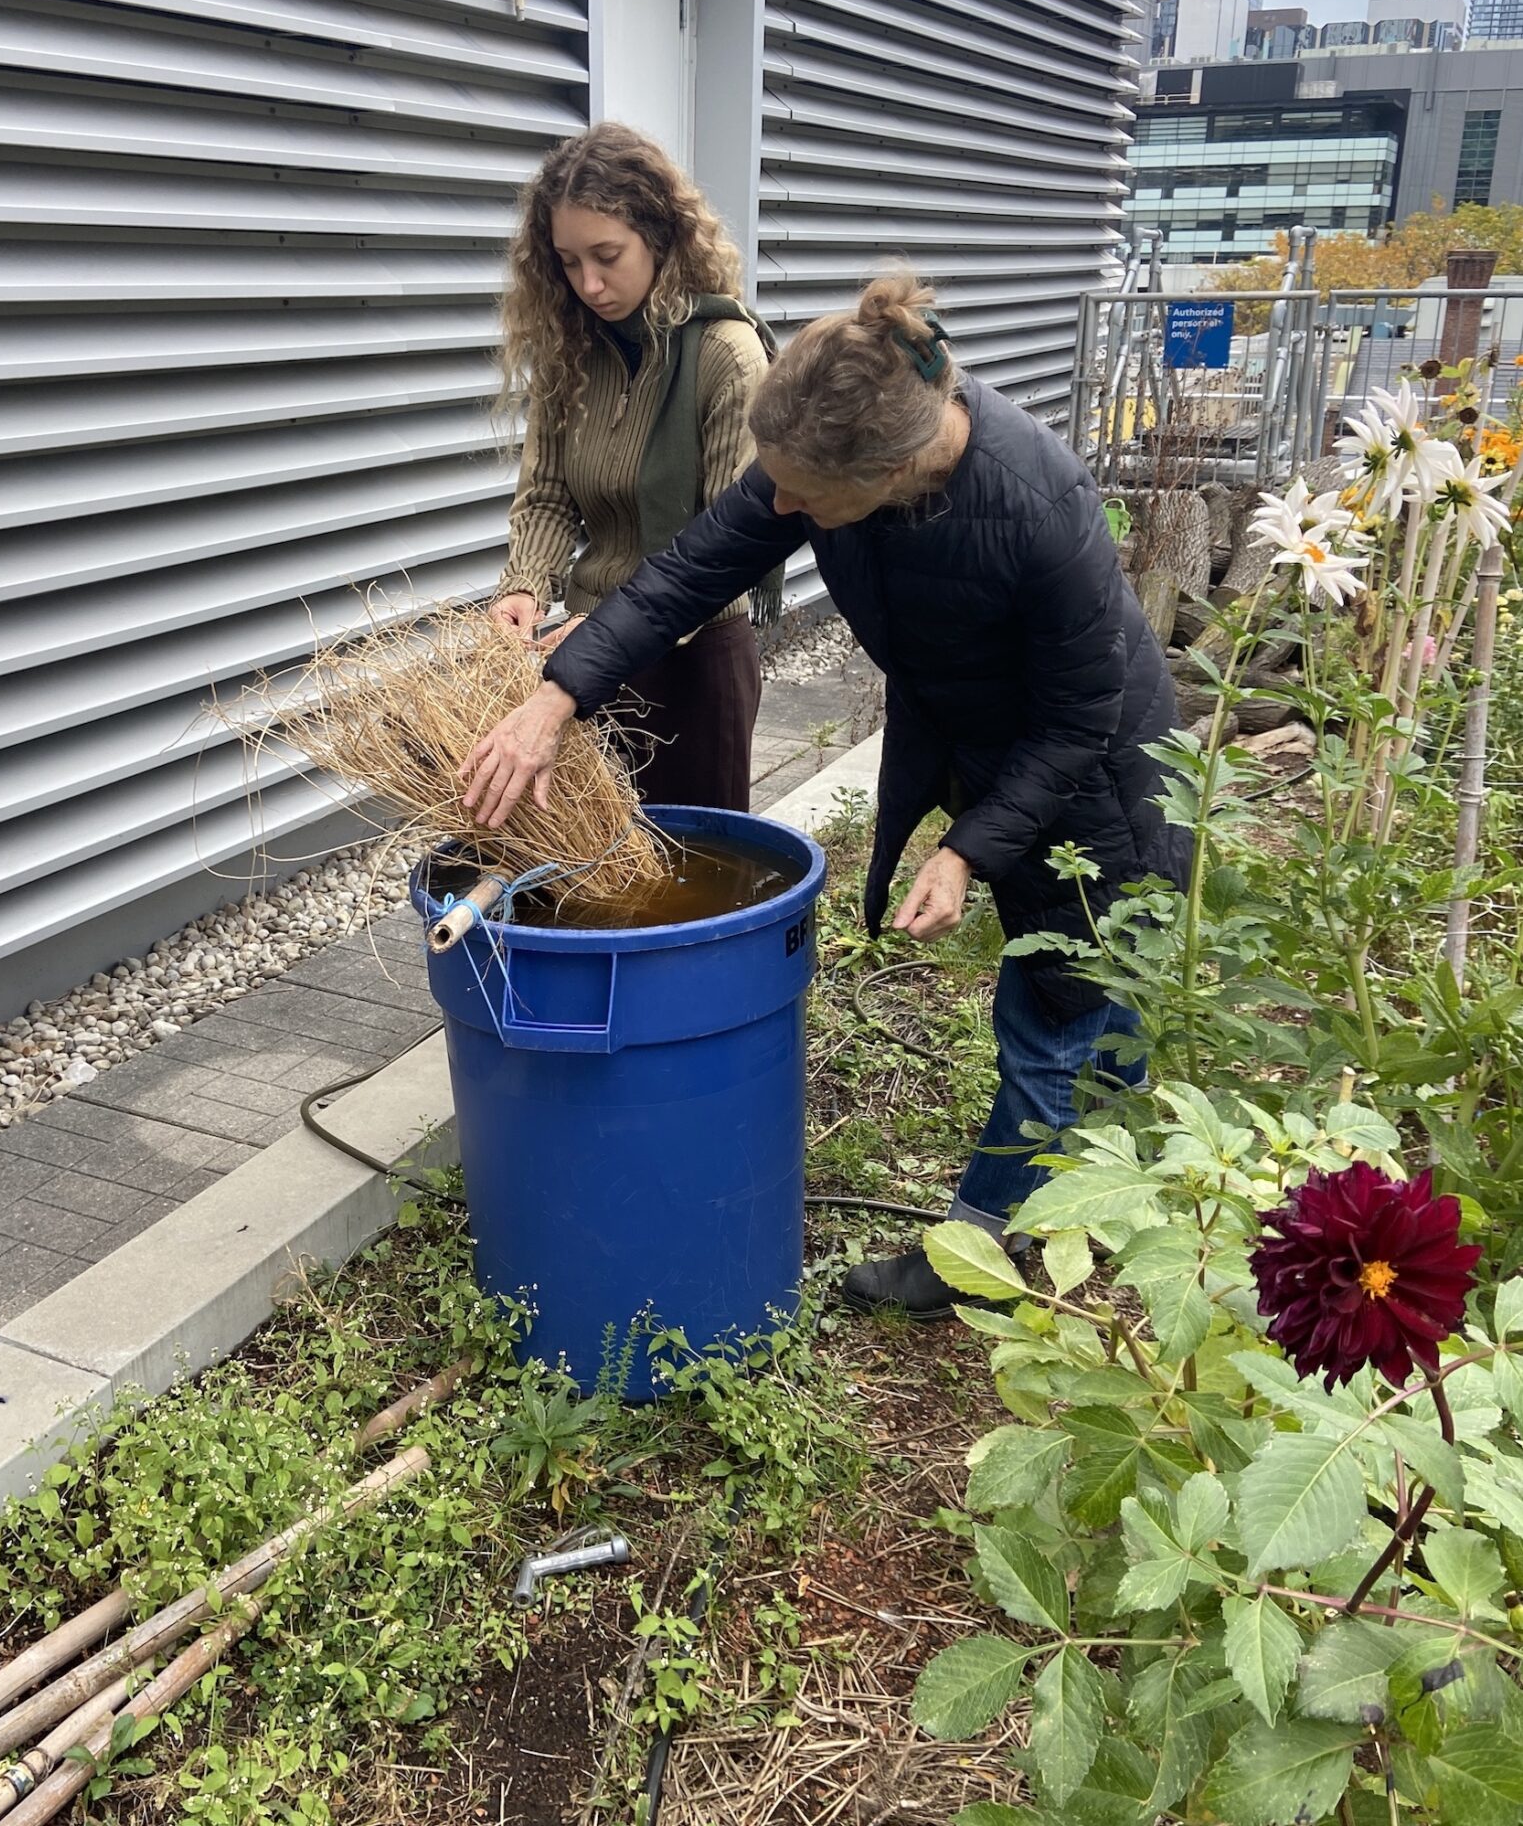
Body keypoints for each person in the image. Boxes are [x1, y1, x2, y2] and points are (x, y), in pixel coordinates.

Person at [459, 271, 1191, 1321]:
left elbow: (1079, 720)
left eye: (803, 496)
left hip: (1106, 781)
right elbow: (685, 573)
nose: (783, 507)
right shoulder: (822, 467)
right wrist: (556, 699)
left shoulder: (1038, 503)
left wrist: (968, 849)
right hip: (993, 741)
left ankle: (979, 1247)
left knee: (1058, 1008)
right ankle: (1116, 1171)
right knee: (1098, 1011)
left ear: (888, 474)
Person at [487, 122, 776, 811]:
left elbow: (726, 546)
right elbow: (550, 494)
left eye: (607, 255)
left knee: (693, 873)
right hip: (584, 652)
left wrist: (612, 632)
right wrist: (524, 587)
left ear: (660, 236)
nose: (588, 283)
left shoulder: (726, 355)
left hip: (694, 659)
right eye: (566, 261)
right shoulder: (571, 353)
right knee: (593, 868)